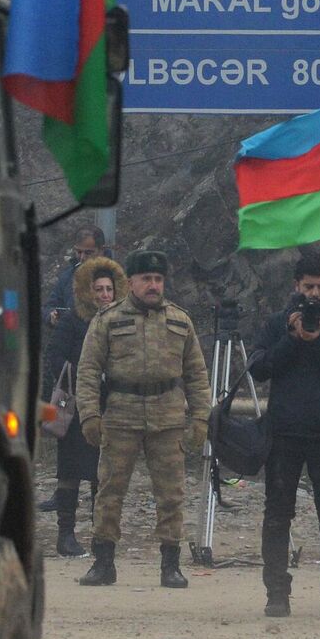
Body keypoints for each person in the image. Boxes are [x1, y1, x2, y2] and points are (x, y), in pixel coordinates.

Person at [76, 249, 212, 588]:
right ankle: (103, 561)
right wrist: (89, 415)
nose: (153, 285)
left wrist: (201, 418)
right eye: (146, 279)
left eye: (158, 279)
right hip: (121, 415)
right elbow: (89, 370)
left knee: (171, 494)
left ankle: (170, 564)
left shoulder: (180, 320)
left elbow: (196, 373)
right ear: (132, 282)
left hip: (167, 416)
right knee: (109, 490)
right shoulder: (107, 319)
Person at [250, 253, 320, 619]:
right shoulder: (276, 323)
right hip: (284, 433)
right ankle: (276, 592)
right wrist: (293, 339)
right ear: (296, 285)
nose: (315, 294)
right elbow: (260, 368)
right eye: (309, 286)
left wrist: (318, 340)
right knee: (278, 514)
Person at [42, 255, 125, 557]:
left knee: (102, 474)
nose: (104, 295)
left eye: (108, 289)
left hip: (110, 406)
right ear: (88, 291)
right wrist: (83, 375)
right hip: (76, 406)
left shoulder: (121, 321)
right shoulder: (73, 320)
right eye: (99, 289)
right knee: (71, 472)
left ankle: (100, 535)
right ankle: (66, 534)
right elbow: (55, 356)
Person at [45, 226, 107, 329]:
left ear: (101, 250)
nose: (82, 257)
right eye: (79, 252)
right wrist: (52, 316)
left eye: (88, 253)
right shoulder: (67, 277)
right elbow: (49, 306)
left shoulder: (117, 276)